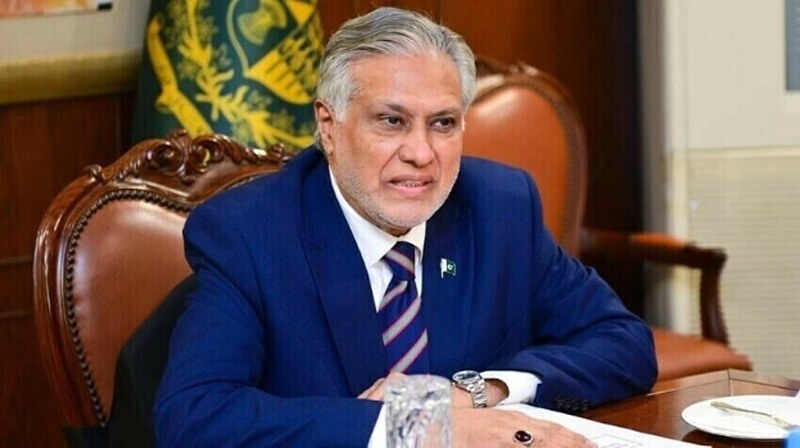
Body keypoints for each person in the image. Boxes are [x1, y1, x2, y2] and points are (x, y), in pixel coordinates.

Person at [153, 6, 657, 447]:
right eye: (391, 121)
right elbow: (195, 417)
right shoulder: (249, 233)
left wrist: (480, 391)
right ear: (329, 127)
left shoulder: (500, 207)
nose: (420, 153)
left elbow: (624, 343)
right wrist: (416, 428)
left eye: (443, 123)